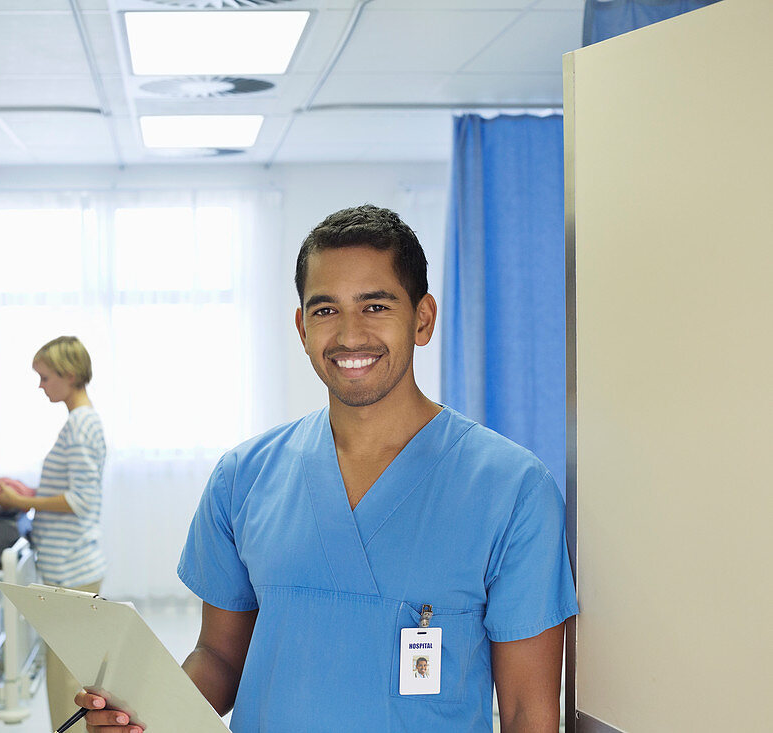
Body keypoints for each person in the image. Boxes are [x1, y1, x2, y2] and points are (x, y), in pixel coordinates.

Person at [76, 205, 578, 732]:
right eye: (325, 310)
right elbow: (221, 660)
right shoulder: (243, 478)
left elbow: (528, 712)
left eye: (375, 305)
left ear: (423, 319)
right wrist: (143, 715)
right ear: (301, 326)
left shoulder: (512, 490)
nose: (349, 335)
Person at [0, 335, 106, 733]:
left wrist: (25, 501)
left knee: (67, 676)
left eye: (45, 378)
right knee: (67, 669)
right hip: (74, 561)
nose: (41, 385)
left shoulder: (80, 427)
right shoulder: (82, 422)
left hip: (73, 565)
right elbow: (68, 488)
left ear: (68, 375)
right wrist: (11, 489)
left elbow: (80, 498)